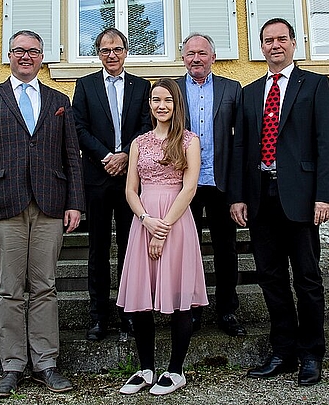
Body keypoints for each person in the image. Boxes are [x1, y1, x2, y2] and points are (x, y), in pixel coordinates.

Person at [0, 30, 85, 397]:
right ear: (10, 56)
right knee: (10, 290)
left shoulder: (59, 100)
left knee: (45, 287)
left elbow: (72, 158)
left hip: (50, 204)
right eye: (19, 51)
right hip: (4, 205)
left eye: (33, 51)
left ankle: (46, 362)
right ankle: (13, 366)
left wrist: (75, 202)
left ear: (42, 56)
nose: (26, 57)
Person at [229, 18, 329, 386]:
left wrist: (326, 195)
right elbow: (241, 148)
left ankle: (311, 354)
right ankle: (283, 352)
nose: (275, 45)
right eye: (267, 40)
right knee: (271, 278)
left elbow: (327, 143)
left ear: (293, 43)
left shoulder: (316, 85)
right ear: (260, 47)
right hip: (261, 196)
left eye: (281, 39)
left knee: (307, 278)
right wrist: (238, 197)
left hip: (303, 198)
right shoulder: (248, 93)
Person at [116, 78, 208, 396]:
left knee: (179, 298)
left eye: (167, 100)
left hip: (176, 221)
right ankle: (145, 369)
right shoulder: (139, 142)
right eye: (156, 100)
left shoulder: (188, 140)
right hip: (144, 220)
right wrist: (145, 220)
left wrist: (163, 227)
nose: (161, 105)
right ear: (150, 105)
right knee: (141, 298)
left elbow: (190, 188)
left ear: (176, 103)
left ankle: (176, 370)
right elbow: (130, 189)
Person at [72, 28, 152, 341]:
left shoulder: (141, 86)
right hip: (97, 176)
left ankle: (129, 314)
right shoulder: (86, 85)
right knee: (98, 249)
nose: (112, 55)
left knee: (130, 249)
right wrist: (107, 156)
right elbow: (78, 127)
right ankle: (98, 317)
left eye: (117, 49)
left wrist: (125, 156)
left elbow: (147, 127)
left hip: (131, 179)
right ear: (98, 53)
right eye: (105, 50)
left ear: (126, 51)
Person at [176, 33, 246, 337]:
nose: (196, 59)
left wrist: (238, 191)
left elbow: (241, 141)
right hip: (183, 184)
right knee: (187, 250)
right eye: (190, 54)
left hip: (220, 182)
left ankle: (227, 310)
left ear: (213, 57)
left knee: (225, 249)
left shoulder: (232, 89)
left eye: (202, 53)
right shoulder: (172, 90)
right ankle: (190, 309)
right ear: (183, 59)